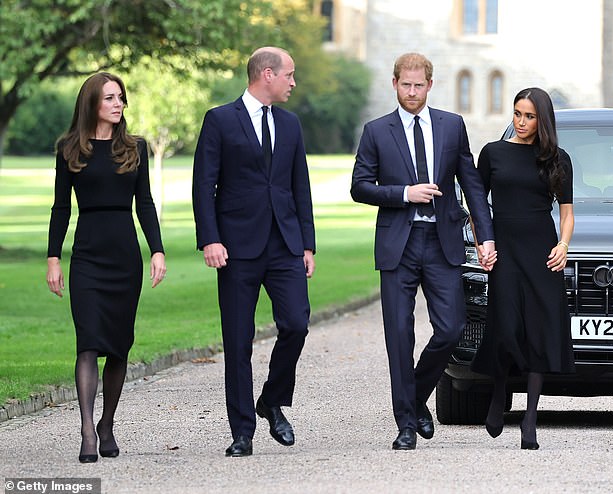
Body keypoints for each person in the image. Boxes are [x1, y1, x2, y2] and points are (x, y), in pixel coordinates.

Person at [351, 52, 496, 450]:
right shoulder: (376, 131)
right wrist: (403, 194)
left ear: (430, 85)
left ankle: (414, 398)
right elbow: (360, 186)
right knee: (398, 336)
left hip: (442, 243)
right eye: (405, 85)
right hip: (398, 244)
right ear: (394, 84)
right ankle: (405, 425)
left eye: (419, 86)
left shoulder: (452, 126)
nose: (412, 92)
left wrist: (486, 236)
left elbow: (472, 185)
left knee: (450, 329)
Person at [192, 46, 316, 458]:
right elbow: (203, 185)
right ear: (267, 74)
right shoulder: (219, 120)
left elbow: (300, 187)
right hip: (236, 248)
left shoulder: (292, 124)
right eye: (290, 75)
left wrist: (307, 243)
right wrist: (210, 238)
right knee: (239, 341)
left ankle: (271, 399)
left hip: (284, 245)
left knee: (296, 323)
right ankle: (242, 431)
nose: (293, 82)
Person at [46, 73, 166, 463]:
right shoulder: (69, 149)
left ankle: (107, 424)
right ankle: (86, 430)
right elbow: (61, 207)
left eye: (121, 98)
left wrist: (158, 251)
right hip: (87, 256)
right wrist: (52, 258)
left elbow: (145, 203)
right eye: (110, 98)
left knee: (118, 345)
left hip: (124, 257)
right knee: (88, 342)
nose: (118, 104)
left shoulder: (135, 147)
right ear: (92, 103)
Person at [471, 87, 575, 450]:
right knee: (506, 328)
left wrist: (563, 245)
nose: (521, 121)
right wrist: (483, 243)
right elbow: (477, 204)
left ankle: (530, 419)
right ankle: (499, 392)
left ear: (542, 119)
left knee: (539, 333)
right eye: (517, 113)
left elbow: (566, 211)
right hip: (505, 252)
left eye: (529, 116)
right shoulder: (493, 153)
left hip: (543, 253)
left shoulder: (557, 158)